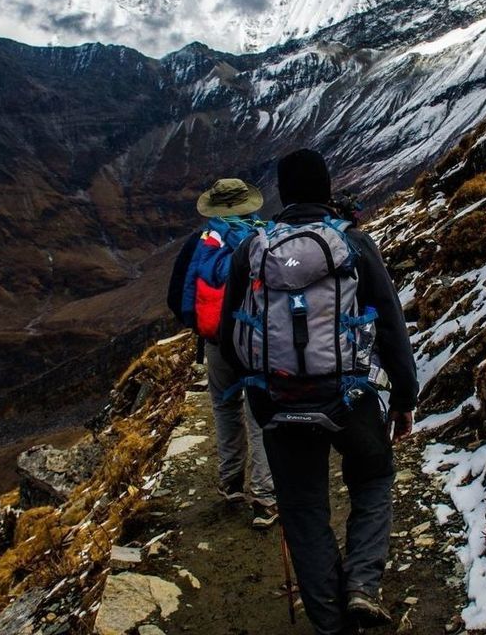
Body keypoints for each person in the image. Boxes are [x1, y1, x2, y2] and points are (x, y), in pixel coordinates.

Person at [218, 149, 418, 633]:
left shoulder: (253, 250)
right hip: (349, 396)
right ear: (328, 189)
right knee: (372, 480)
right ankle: (363, 588)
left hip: (279, 400)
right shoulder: (354, 244)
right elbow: (391, 328)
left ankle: (331, 623)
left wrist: (262, 393)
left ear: (283, 195)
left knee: (304, 510)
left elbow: (229, 341)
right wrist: (405, 400)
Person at [166, 177, 278, 529]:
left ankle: (231, 483)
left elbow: (176, 295)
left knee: (225, 406)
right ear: (250, 205)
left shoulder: (200, 242)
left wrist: (204, 327)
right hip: (259, 342)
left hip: (217, 342)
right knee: (259, 412)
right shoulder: (267, 238)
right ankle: (265, 496)